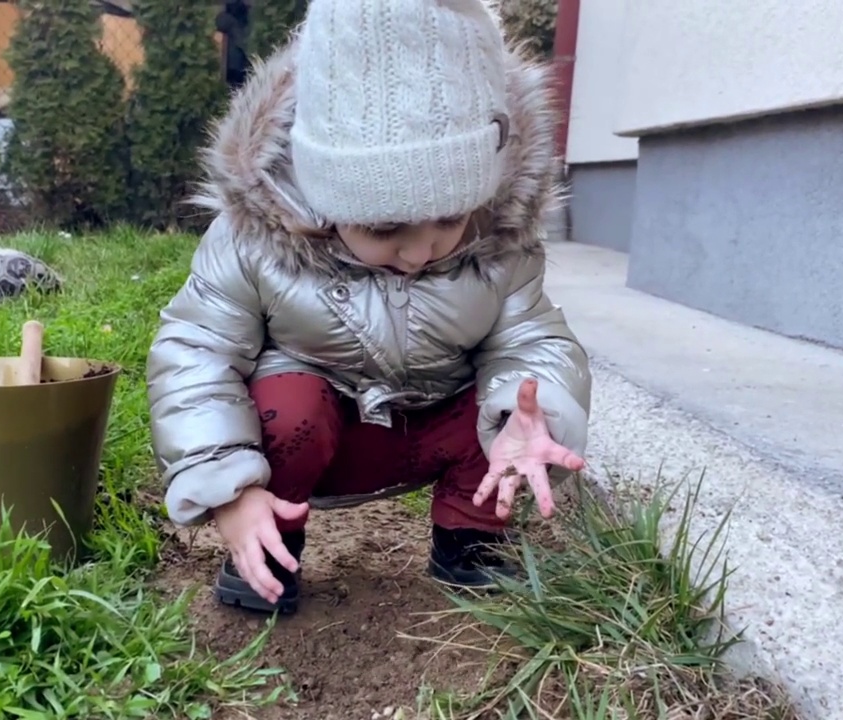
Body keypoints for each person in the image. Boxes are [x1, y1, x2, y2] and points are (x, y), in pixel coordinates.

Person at [146, 0, 592, 616]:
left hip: (434, 422)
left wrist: (533, 416)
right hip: (319, 434)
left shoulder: (497, 240)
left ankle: (469, 537)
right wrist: (227, 483)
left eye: (449, 219)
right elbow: (196, 350)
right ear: (324, 198)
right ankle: (270, 539)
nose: (418, 251)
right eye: (384, 229)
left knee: (509, 404)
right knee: (286, 405)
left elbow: (531, 339)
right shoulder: (257, 239)